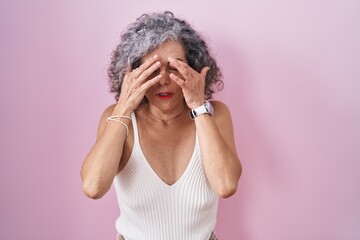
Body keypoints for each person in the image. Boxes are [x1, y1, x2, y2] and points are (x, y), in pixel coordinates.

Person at [81, 11, 242, 240]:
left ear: (194, 67)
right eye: (152, 70)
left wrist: (198, 104)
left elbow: (226, 185)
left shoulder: (215, 115)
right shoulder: (117, 119)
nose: (164, 80)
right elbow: (93, 187)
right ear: (134, 74)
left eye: (174, 67)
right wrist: (125, 107)